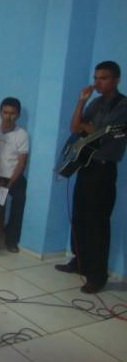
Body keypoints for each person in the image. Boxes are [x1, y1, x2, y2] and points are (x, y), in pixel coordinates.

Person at [56, 61, 127, 293]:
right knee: (80, 217)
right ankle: (80, 262)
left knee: (98, 223)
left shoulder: (123, 105)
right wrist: (81, 102)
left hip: (104, 169)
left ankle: (98, 275)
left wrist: (90, 128)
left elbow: (104, 135)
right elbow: (76, 128)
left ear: (116, 80)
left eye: (103, 78)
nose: (97, 82)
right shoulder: (95, 102)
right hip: (85, 166)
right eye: (96, 77)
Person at [0, 97, 29, 253]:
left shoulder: (22, 134)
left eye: (12, 113)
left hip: (13, 177)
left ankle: (11, 240)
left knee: (19, 201)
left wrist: (9, 184)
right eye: (5, 112)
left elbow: (21, 163)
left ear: (18, 115)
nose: (8, 116)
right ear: (0, 112)